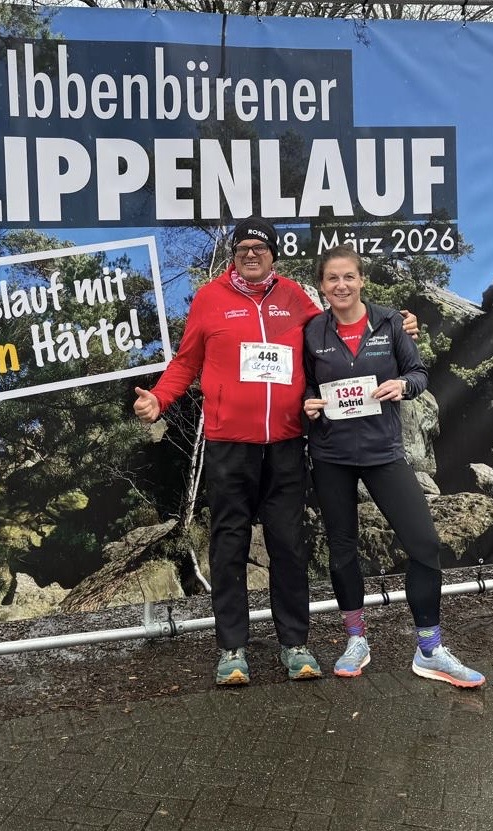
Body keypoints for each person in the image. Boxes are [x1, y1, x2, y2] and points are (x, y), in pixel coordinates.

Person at [133, 218, 418, 688]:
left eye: (260, 248)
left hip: (286, 442)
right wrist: (160, 399)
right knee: (229, 544)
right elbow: (186, 361)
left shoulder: (295, 298)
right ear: (233, 255)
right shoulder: (210, 298)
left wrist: (395, 325)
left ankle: (295, 644)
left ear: (273, 255)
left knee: (288, 543)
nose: (251, 254)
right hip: (230, 444)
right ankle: (232, 649)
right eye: (242, 247)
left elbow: (340, 326)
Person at [302, 245, 485, 689]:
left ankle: (430, 649)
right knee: (342, 550)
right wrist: (307, 403)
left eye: (348, 276)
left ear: (361, 280)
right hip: (331, 456)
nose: (341, 285)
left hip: (384, 452)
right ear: (322, 286)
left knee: (424, 544)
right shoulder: (312, 331)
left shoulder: (389, 323)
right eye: (332, 278)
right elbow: (304, 385)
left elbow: (419, 372)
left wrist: (403, 385)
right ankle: (355, 639)